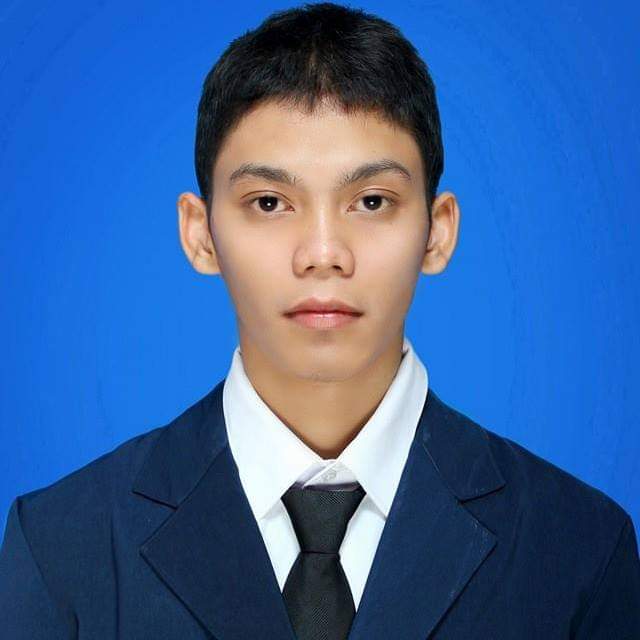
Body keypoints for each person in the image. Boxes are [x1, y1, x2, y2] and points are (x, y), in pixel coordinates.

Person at [1, 2, 639, 638]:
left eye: (372, 201)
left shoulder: (580, 547)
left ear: (438, 231)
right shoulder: (61, 547)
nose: (324, 253)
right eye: (269, 202)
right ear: (200, 235)